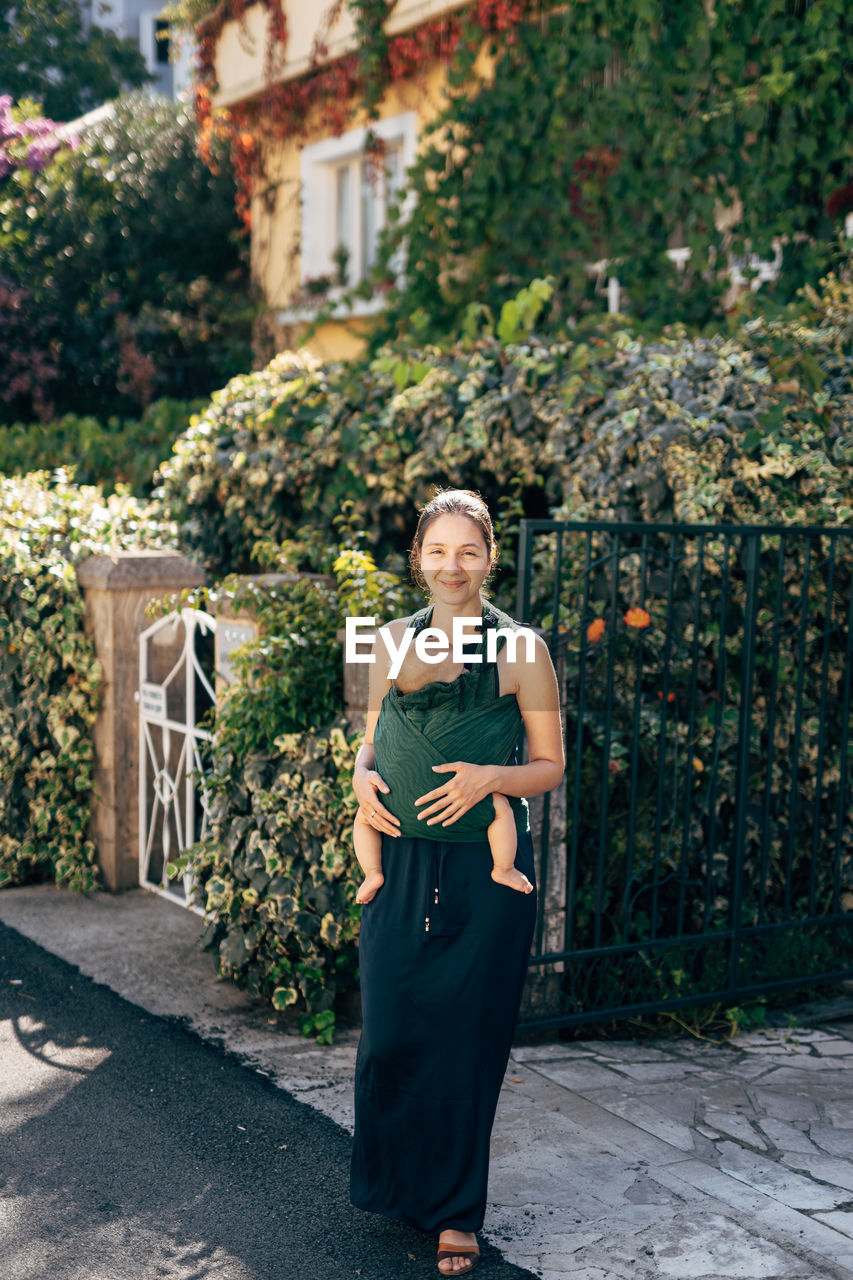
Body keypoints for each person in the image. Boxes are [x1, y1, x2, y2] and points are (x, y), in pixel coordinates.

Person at [349, 488, 564, 1276]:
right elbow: (372, 744)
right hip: (400, 861)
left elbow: (550, 764)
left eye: (467, 551)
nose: (451, 566)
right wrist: (358, 779)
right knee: (391, 1036)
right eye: (437, 551)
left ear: (488, 559)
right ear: (418, 559)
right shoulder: (388, 644)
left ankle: (455, 1216)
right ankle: (402, 1186)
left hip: (486, 873)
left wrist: (486, 779)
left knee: (466, 1044)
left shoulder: (522, 652)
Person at [353, 789, 533, 904]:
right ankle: (504, 868)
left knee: (363, 816)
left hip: (401, 801)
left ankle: (372, 873)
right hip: (459, 798)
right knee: (500, 807)